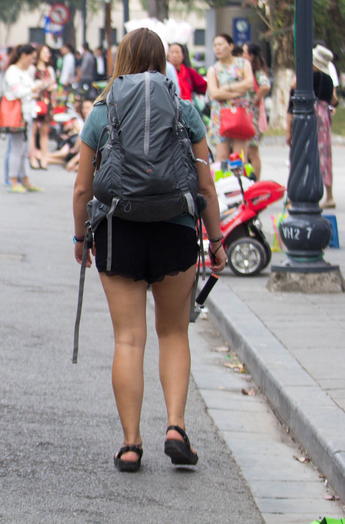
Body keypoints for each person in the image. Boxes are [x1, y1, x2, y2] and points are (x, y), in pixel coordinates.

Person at [73, 27, 227, 473]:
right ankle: (176, 427)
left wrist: (82, 239)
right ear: (164, 62)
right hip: (175, 228)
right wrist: (216, 240)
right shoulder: (183, 110)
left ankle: (130, 444)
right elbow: (205, 185)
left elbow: (83, 187)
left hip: (118, 231)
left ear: (120, 60)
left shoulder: (102, 113)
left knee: (128, 338)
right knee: (174, 333)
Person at [287, 47, 338, 208]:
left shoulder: (304, 78)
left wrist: (288, 130)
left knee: (299, 152)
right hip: (323, 118)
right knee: (324, 155)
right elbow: (334, 99)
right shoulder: (328, 79)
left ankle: (294, 193)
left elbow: (291, 99)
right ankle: (329, 195)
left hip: (306, 114)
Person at [206, 34, 257, 166]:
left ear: (231, 46)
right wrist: (238, 93)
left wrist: (226, 88)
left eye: (221, 44)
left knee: (239, 156)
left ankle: (239, 185)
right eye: (215, 45)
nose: (217, 48)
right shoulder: (213, 70)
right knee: (222, 156)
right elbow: (214, 94)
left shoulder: (243, 64)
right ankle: (221, 186)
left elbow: (249, 84)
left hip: (240, 115)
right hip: (220, 116)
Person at [3, 44, 42, 193]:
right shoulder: (12, 72)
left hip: (27, 115)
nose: (32, 61)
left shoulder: (24, 72)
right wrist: (34, 88)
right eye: (31, 58)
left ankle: (25, 180)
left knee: (25, 150)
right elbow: (18, 92)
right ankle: (13, 180)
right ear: (23, 56)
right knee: (16, 149)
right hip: (17, 116)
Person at [243, 43, 272, 178]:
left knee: (252, 151)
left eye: (244, 52)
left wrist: (255, 100)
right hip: (245, 117)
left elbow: (265, 86)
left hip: (252, 118)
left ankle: (256, 182)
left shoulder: (257, 73)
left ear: (251, 56)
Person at [30, 44, 56, 170]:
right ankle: (32, 157)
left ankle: (44, 157)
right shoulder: (32, 69)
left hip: (47, 102)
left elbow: (54, 84)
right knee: (33, 131)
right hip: (35, 102)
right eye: (45, 52)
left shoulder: (49, 69)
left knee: (44, 132)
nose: (47, 55)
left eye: (48, 53)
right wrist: (41, 85)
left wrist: (51, 86)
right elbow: (30, 86)